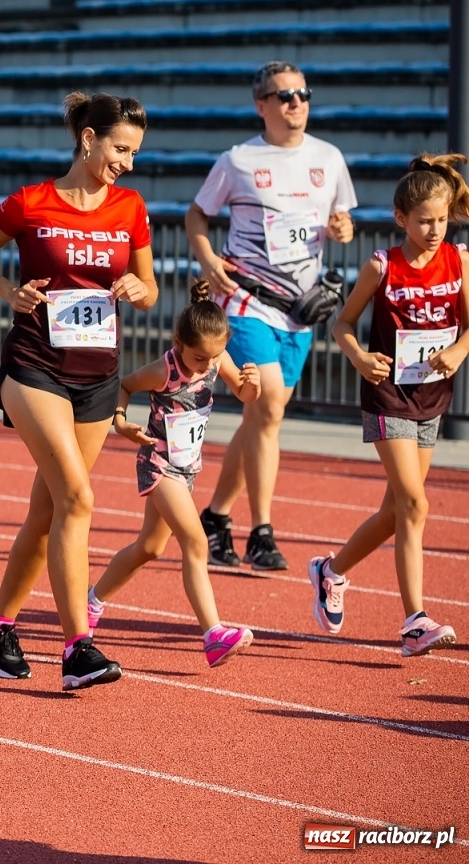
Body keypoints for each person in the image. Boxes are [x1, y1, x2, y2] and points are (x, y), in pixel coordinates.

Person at [0, 92, 157, 691]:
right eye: (121, 148)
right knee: (78, 497)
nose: (128, 161)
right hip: (34, 366)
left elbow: (149, 287)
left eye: (136, 152)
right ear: (89, 139)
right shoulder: (31, 202)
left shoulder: (131, 207)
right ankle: (78, 647)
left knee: (48, 514)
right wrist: (9, 292)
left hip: (99, 374)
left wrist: (134, 288)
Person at [187, 61, 356, 571]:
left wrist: (341, 228)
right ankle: (262, 531)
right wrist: (209, 260)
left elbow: (340, 219)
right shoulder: (238, 160)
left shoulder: (329, 157)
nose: (296, 103)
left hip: (300, 310)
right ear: (261, 104)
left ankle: (215, 517)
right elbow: (197, 215)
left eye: (303, 93)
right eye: (284, 96)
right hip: (246, 300)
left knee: (263, 414)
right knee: (270, 409)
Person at [313, 154, 469, 657]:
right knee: (416, 504)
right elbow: (342, 324)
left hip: (431, 396)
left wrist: (458, 350)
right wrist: (359, 357)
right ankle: (414, 621)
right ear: (401, 218)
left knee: (396, 511)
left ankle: (330, 571)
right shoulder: (382, 266)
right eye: (424, 220)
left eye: (442, 220)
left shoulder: (460, 260)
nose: (434, 229)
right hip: (386, 395)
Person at [91, 282, 261, 669]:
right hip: (158, 464)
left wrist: (255, 385)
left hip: (187, 470)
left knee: (149, 548)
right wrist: (120, 422)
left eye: (214, 357)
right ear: (179, 343)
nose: (207, 366)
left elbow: (245, 395)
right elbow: (124, 386)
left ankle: (92, 600)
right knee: (196, 542)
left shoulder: (216, 358)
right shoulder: (163, 371)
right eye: (200, 358)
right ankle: (213, 634)